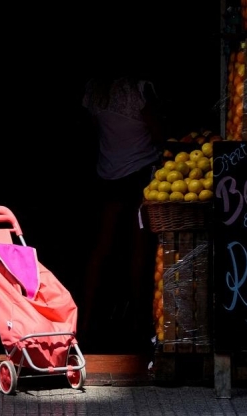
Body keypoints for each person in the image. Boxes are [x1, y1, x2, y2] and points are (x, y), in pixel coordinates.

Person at [79, 71, 164, 352]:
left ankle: (85, 321)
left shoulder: (94, 91)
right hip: (141, 174)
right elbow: (158, 132)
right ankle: (141, 322)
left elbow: (95, 130)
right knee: (140, 250)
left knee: (101, 249)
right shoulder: (140, 89)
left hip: (109, 175)